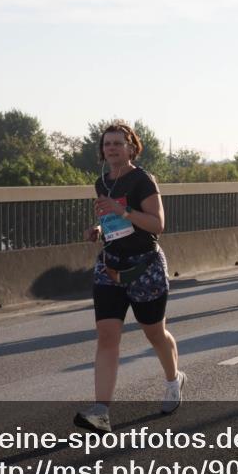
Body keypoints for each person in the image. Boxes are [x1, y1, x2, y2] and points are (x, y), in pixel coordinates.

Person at [74, 123, 184, 433]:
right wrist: (99, 230)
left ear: (131, 148)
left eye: (118, 144)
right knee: (107, 336)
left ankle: (174, 380)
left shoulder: (142, 180)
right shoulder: (102, 182)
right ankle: (101, 411)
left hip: (144, 266)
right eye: (107, 144)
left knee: (154, 333)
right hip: (110, 265)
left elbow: (157, 224)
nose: (111, 148)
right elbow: (111, 219)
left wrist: (122, 213)